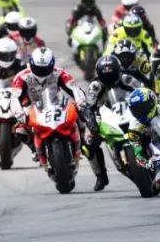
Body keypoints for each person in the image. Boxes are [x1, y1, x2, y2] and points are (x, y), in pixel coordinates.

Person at [10, 48, 98, 187]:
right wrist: (19, 113)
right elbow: (14, 98)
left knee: (78, 113)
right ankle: (34, 149)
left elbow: (75, 89)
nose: (42, 72)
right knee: (19, 129)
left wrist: (81, 104)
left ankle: (81, 141)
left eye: (45, 69)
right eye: (38, 68)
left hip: (55, 103)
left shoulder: (60, 73)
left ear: (51, 65)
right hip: (31, 106)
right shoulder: (21, 77)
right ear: (31, 65)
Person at [81, 55, 144, 191]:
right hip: (105, 115)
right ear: (99, 75)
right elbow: (88, 107)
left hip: (128, 110)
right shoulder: (95, 86)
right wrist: (91, 122)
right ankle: (101, 176)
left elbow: (143, 92)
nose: (109, 79)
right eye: (105, 76)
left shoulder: (127, 79)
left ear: (119, 71)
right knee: (88, 146)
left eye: (112, 74)